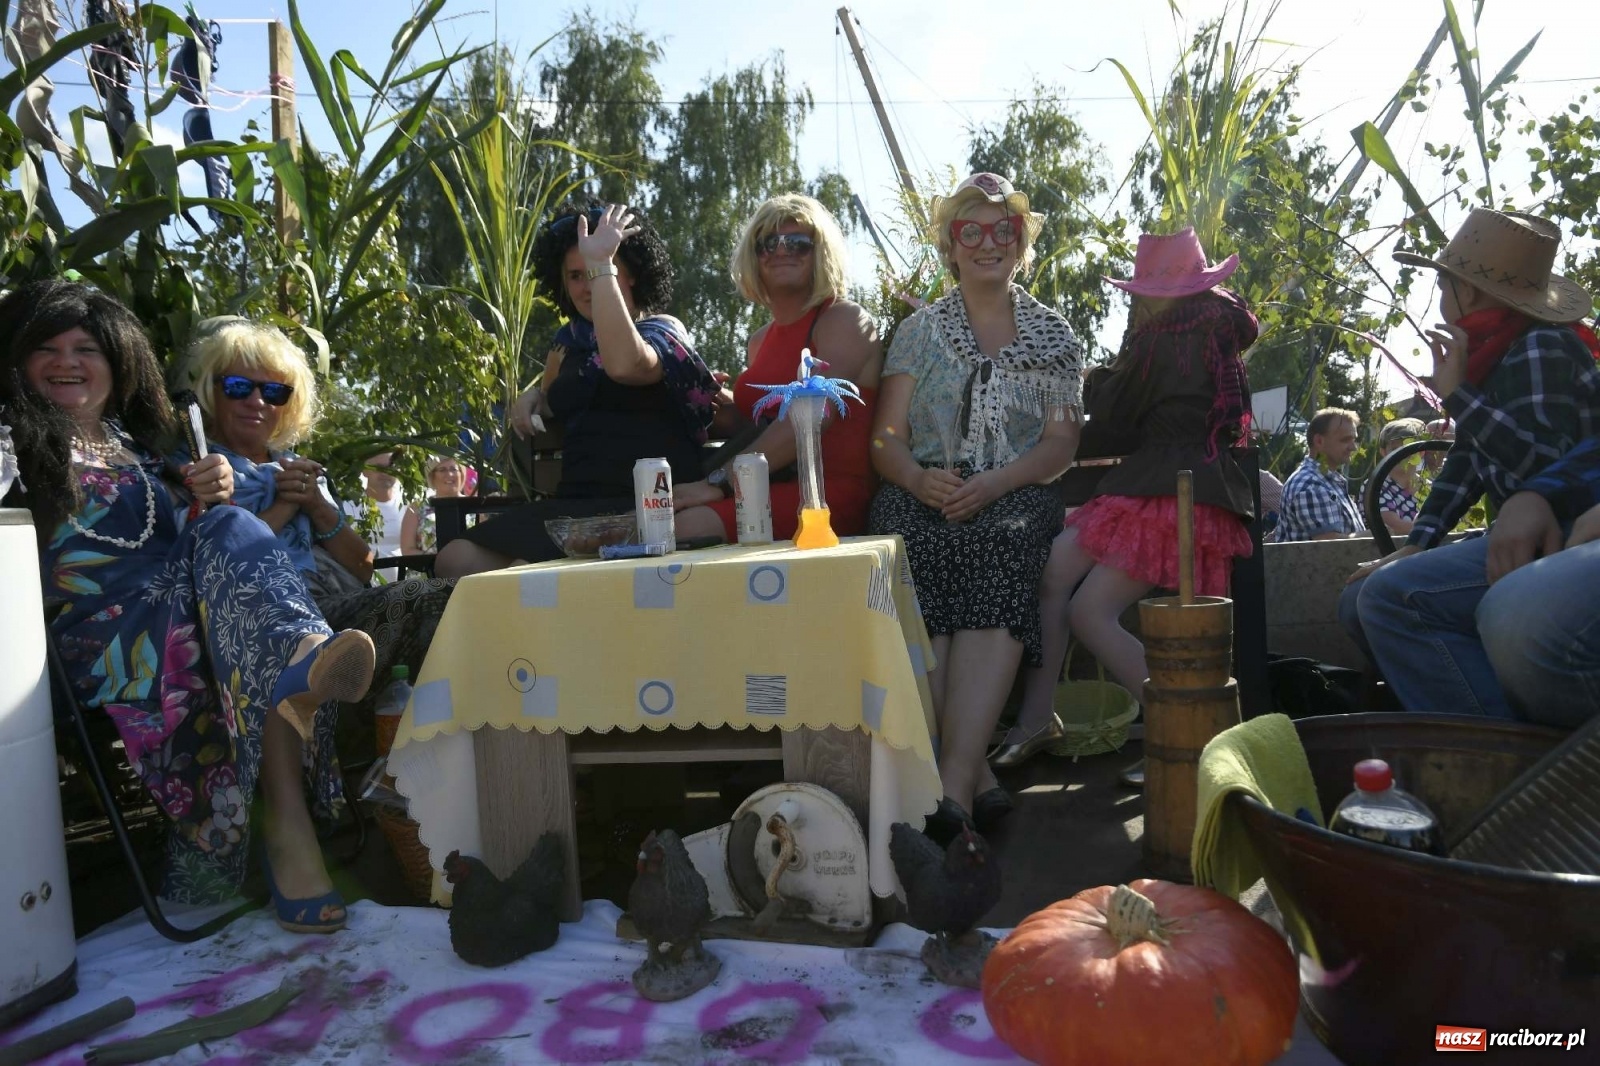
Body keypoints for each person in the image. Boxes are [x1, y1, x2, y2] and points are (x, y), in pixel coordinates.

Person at [0, 280, 373, 932]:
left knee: (229, 536)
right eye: (47, 347)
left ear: (117, 364)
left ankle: (294, 699)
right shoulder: (13, 445)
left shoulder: (141, 449)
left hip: (178, 611)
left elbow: (199, 547)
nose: (68, 361)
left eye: (87, 347)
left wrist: (204, 495)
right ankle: (287, 812)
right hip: (84, 635)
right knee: (229, 632)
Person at [867, 172, 1083, 840]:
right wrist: (913, 478)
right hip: (924, 490)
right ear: (950, 245)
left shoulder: (1055, 337)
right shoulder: (918, 332)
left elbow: (1062, 443)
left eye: (1004, 230)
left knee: (999, 545)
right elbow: (885, 437)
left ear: (1022, 243)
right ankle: (973, 776)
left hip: (1015, 492)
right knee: (907, 550)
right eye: (971, 230)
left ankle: (950, 784)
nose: (989, 242)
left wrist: (996, 484)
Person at [1002, 227, 1259, 769]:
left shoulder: (1165, 340)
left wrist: (1080, 394)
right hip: (1175, 485)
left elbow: (1116, 417)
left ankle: (1185, 729)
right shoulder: (1212, 334)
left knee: (1088, 611)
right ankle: (1037, 717)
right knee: (1053, 574)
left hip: (1171, 491)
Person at [1341, 208, 1600, 716]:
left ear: (1473, 293)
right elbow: (1467, 461)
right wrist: (1418, 543)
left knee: (1389, 599)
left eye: (1445, 285)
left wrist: (1458, 395)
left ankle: (1497, 758)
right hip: (1525, 530)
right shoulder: (1496, 350)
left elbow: (1543, 467)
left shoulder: (1539, 345)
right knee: (1359, 599)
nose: (1440, 299)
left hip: (1563, 530)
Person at [178, 319, 455, 733]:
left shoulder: (297, 468)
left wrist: (316, 505)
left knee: (457, 602)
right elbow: (226, 563)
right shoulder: (206, 469)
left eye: (274, 392)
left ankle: (423, 749)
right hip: (263, 622)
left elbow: (363, 567)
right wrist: (290, 505)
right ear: (210, 391)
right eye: (238, 386)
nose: (257, 401)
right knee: (437, 598)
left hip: (332, 606)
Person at [435, 203, 719, 577]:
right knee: (455, 559)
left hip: (652, 505)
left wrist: (601, 263)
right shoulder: (567, 344)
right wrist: (532, 397)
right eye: (576, 275)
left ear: (631, 275)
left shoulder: (661, 332)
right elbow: (559, 399)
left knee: (527, 573)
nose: (587, 286)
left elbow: (624, 365)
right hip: (576, 505)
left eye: (600, 270)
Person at [670, 194, 881, 541]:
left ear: (821, 253)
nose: (782, 250)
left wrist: (719, 482)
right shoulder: (759, 340)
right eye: (768, 243)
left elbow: (811, 414)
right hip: (765, 486)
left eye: (798, 243)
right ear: (753, 257)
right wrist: (715, 406)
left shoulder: (844, 319)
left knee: (685, 526)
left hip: (824, 497)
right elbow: (762, 423)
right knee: (656, 517)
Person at [1275, 408, 1364, 541]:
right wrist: (1377, 535)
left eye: (1354, 439)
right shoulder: (1310, 485)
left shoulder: (1327, 480)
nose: (1354, 447)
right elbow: (1332, 548)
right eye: (1345, 440)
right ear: (1319, 441)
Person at [402, 455, 470, 555]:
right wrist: (438, 561)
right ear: (432, 477)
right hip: (428, 568)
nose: (450, 474)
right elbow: (407, 550)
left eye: (454, 469)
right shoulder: (417, 508)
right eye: (442, 470)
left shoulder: (474, 505)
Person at [1371, 417, 1426, 536]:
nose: (1402, 454)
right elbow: (1394, 528)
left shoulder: (1429, 487)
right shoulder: (1376, 486)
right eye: (1395, 449)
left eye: (1408, 448)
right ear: (1384, 452)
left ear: (1421, 452)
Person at [346, 450, 405, 560]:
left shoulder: (410, 505)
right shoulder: (348, 507)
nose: (385, 473)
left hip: (404, 576)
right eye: (378, 468)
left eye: (390, 467)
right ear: (364, 471)